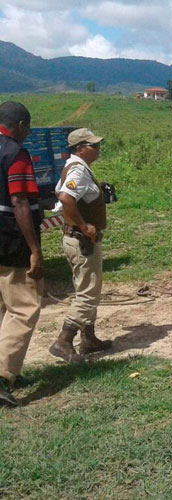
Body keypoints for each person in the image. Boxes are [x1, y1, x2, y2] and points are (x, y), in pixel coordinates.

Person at [48, 128, 114, 362]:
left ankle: (89, 338)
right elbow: (66, 198)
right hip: (82, 240)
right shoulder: (78, 170)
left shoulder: (73, 167)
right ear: (79, 149)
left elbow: (60, 193)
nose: (97, 149)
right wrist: (85, 226)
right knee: (88, 292)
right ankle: (64, 341)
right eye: (92, 145)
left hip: (75, 238)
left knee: (86, 287)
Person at [0, 102, 43, 407]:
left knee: (2, 306)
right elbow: (20, 202)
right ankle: (2, 376)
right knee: (23, 306)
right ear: (21, 125)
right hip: (10, 239)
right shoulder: (16, 153)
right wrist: (35, 250)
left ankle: (9, 369)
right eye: (27, 128)